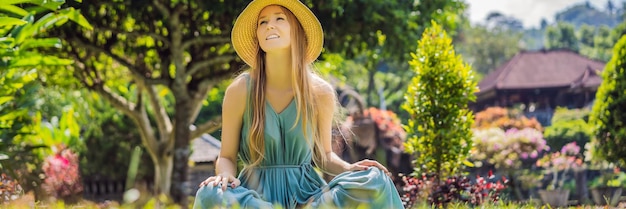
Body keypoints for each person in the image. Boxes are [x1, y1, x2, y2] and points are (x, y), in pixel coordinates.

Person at [193, 0, 404, 208]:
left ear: (297, 31)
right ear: (257, 36)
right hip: (254, 198)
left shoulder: (320, 92)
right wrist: (225, 176)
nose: (270, 25)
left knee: (375, 178)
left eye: (279, 18)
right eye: (262, 22)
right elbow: (226, 156)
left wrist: (349, 168)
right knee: (210, 193)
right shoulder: (240, 90)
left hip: (308, 198)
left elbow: (324, 156)